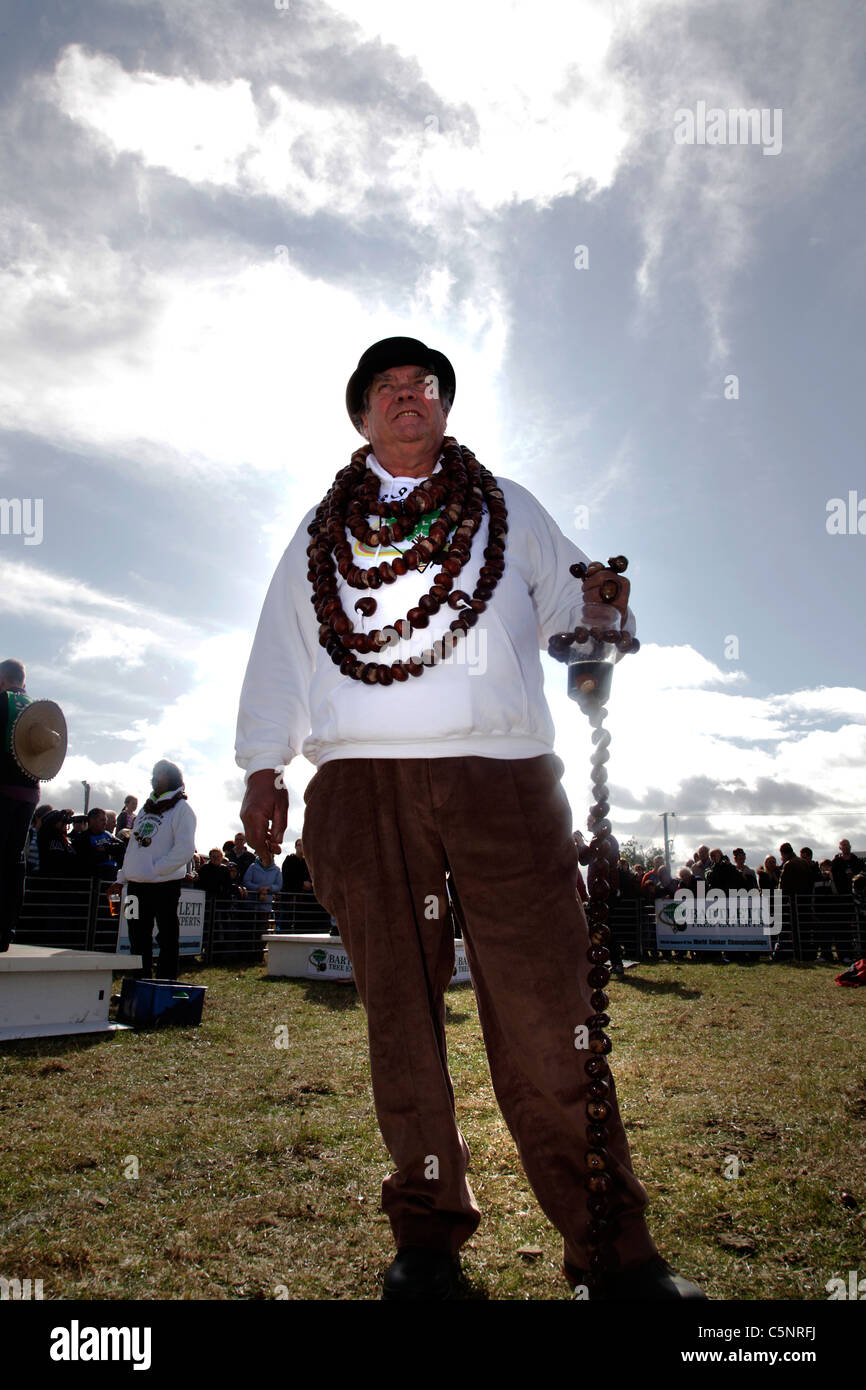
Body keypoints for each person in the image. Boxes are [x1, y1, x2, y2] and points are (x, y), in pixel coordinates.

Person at [235, 335, 704, 1302]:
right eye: (389, 389)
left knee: (549, 1010)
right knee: (399, 1017)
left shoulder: (508, 505)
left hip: (504, 776)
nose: (409, 398)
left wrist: (600, 615)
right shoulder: (319, 531)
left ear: (441, 409)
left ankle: (613, 1251)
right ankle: (426, 1239)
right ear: (363, 415)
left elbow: (575, 609)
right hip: (361, 786)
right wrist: (261, 766)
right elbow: (279, 648)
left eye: (425, 387)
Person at [109, 761, 196, 981]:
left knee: (167, 937)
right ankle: (138, 982)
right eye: (153, 773)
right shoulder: (144, 810)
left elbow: (184, 850)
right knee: (135, 935)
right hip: (134, 888)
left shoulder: (182, 810)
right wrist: (122, 878)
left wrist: (155, 870)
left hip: (164, 886)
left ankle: (166, 984)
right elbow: (132, 847)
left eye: (160, 774)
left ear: (173, 779)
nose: (154, 778)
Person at [0, 660, 41, 949]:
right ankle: (5, 931)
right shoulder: (37, 707)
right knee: (14, 859)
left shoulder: (2, 701)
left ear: (2, 680)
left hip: (1, 789)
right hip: (29, 793)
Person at [73, 807, 123, 881]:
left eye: (105, 820)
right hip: (96, 878)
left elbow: (122, 847)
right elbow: (90, 858)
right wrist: (110, 854)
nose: (105, 823)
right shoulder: (83, 838)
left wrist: (106, 848)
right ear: (92, 821)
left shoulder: (108, 834)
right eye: (102, 820)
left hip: (113, 875)